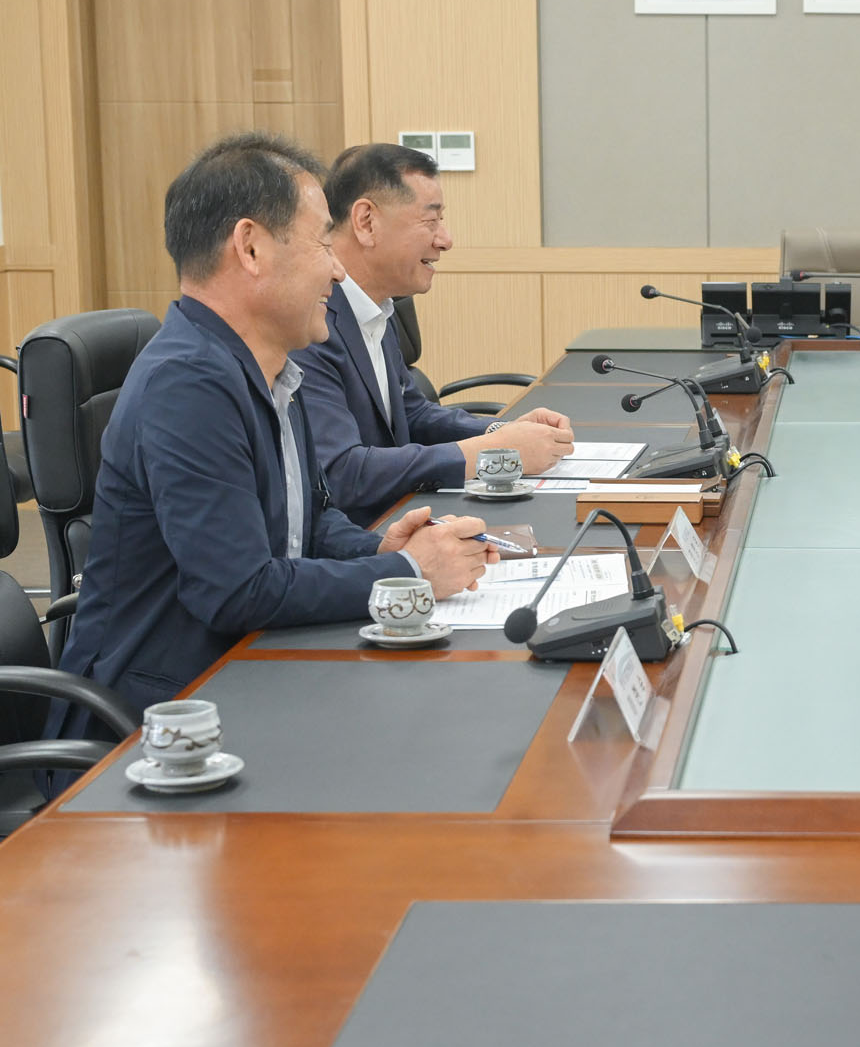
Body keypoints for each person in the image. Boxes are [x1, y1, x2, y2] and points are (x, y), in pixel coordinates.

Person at [51, 134, 495, 735]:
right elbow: (236, 591)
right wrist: (408, 571)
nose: (337, 268)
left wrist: (378, 551)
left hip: (249, 670)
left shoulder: (268, 364)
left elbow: (307, 521)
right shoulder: (189, 384)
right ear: (251, 248)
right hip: (161, 723)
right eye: (322, 243)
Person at [301, 143, 575, 526]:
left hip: (403, 516)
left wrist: (504, 430)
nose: (445, 239)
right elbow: (342, 471)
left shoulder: (377, 306)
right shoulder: (310, 324)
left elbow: (411, 413)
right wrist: (490, 451)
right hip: (362, 537)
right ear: (366, 222)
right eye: (431, 221)